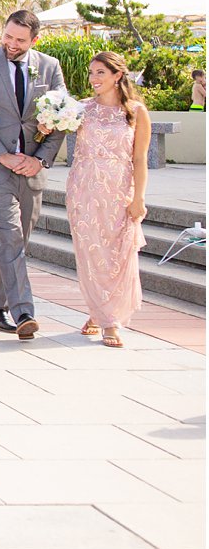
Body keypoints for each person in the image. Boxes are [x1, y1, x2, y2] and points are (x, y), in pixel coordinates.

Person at [0, 9, 67, 342]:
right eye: (8, 36)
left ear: (34, 40)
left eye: (20, 40)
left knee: (20, 238)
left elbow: (63, 115)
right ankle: (23, 312)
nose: (11, 44)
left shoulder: (49, 67)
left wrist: (41, 161)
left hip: (32, 167)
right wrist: (3, 156)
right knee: (10, 234)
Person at [66, 51, 151, 349]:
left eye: (100, 72)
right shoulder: (80, 109)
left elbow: (140, 159)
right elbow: (51, 133)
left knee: (118, 254)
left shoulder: (136, 111)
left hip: (120, 191)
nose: (93, 79)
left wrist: (138, 198)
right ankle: (107, 320)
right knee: (91, 253)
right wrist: (47, 125)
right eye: (91, 73)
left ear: (117, 75)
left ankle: (102, 313)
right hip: (84, 190)